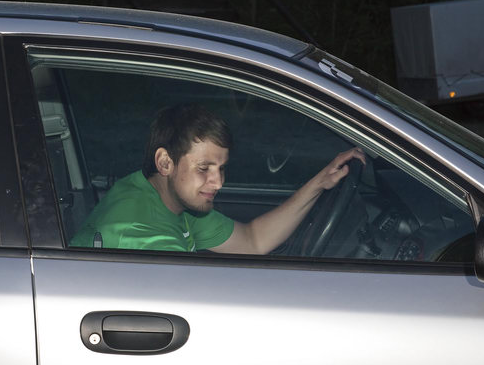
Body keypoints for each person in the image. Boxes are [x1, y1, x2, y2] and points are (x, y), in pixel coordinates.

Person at [71, 104, 365, 254]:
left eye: (221, 168)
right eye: (204, 168)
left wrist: (318, 184)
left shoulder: (170, 198)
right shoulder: (143, 236)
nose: (218, 182)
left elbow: (253, 240)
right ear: (165, 162)